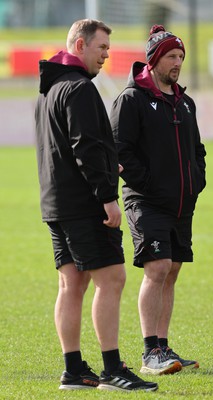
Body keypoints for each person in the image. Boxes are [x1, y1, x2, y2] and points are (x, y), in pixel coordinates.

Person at [35, 19, 157, 392]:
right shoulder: (79, 88)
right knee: (112, 278)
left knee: (71, 283)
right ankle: (111, 370)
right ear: (79, 44)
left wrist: (108, 163)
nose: (107, 55)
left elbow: (63, 150)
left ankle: (74, 369)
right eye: (101, 47)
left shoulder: (49, 89)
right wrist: (107, 195)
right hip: (86, 203)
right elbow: (84, 146)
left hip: (57, 203)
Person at [110, 24, 206, 376]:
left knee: (173, 270)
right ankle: (150, 351)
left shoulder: (186, 101)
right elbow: (120, 152)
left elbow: (198, 150)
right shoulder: (131, 99)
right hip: (146, 201)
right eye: (170, 56)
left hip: (182, 203)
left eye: (180, 56)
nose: (177, 62)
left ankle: (164, 346)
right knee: (157, 268)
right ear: (153, 60)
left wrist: (197, 180)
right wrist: (149, 184)